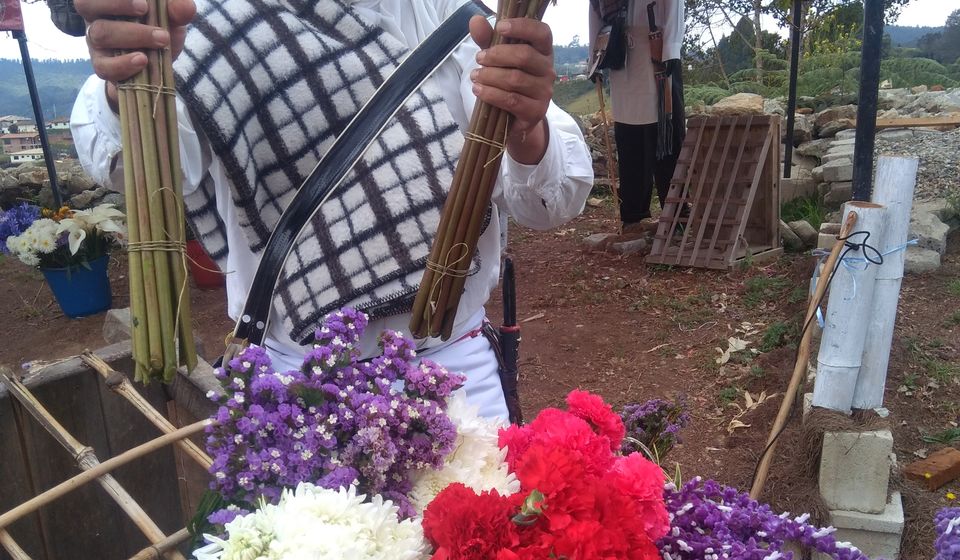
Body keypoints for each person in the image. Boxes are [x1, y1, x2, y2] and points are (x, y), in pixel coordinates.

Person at [71, 0, 594, 421]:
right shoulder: (202, 22)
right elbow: (133, 166)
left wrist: (527, 129)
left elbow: (550, 201)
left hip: (455, 371)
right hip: (297, 386)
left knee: (482, 522)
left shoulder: (458, 16)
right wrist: (127, 85)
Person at [588, 0, 685, 235]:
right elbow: (595, 14)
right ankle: (633, 215)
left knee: (666, 141)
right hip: (621, 58)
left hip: (656, 57)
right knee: (629, 141)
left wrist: (671, 49)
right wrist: (595, 58)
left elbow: (674, 6)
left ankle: (676, 216)